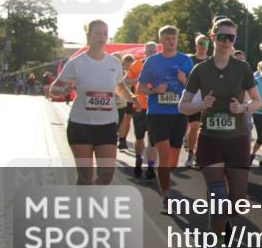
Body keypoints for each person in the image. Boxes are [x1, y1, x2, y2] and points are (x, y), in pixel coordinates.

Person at [179, 18, 260, 248]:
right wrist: (200, 105)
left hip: (237, 140)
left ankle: (223, 222)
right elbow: (182, 106)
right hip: (210, 140)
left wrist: (243, 107)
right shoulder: (200, 70)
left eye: (231, 38)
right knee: (217, 197)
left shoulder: (243, 68)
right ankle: (219, 244)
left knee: (236, 202)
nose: (226, 42)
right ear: (212, 37)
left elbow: (257, 101)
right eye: (222, 36)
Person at [48, 20, 134, 185]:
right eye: (98, 33)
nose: (102, 37)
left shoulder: (114, 63)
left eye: (105, 33)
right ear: (89, 36)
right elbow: (54, 89)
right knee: (85, 176)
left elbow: (120, 88)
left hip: (107, 125)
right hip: (81, 125)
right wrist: (62, 90)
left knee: (107, 175)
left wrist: (132, 98)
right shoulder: (76, 63)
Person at [138, 25, 195, 212]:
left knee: (173, 159)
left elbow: (194, 88)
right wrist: (154, 90)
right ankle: (167, 195)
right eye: (168, 38)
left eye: (174, 38)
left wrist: (184, 80)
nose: (171, 41)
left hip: (178, 114)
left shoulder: (186, 61)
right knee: (163, 155)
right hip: (157, 113)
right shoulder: (152, 61)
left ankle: (164, 180)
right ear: (161, 40)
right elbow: (140, 89)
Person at [127, 43, 158, 179]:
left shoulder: (161, 65)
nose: (151, 53)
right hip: (140, 107)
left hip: (155, 108)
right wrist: (138, 80)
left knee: (153, 140)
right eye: (149, 51)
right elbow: (125, 81)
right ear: (144, 52)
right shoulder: (137, 65)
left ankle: (151, 167)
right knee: (139, 138)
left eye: (153, 51)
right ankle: (138, 159)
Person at [184, 33, 211, 167]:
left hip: (208, 99)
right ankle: (190, 153)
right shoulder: (189, 60)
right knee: (194, 127)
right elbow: (183, 78)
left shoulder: (211, 61)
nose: (203, 46)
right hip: (193, 98)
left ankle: (198, 155)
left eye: (205, 43)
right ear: (196, 45)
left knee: (203, 129)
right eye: (200, 43)